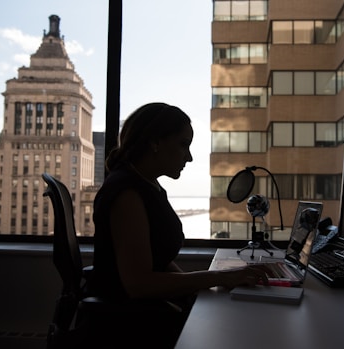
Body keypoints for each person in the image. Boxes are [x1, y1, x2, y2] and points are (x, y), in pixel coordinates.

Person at [84, 102, 270, 348]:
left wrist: (195, 290)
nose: (190, 157)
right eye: (184, 144)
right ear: (155, 142)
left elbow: (158, 259)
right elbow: (139, 284)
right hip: (131, 326)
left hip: (145, 312)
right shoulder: (127, 193)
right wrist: (217, 278)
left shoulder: (148, 185)